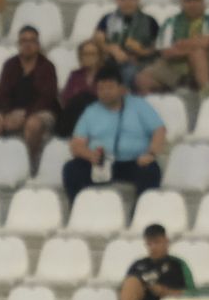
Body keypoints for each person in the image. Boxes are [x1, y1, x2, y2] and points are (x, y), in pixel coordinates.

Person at [61, 65, 165, 201]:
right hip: (101, 163)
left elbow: (159, 131)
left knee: (151, 171)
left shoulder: (139, 105)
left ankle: (139, 215)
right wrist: (90, 155)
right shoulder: (91, 111)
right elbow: (77, 144)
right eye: (101, 89)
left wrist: (150, 154)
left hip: (134, 162)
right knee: (71, 169)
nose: (105, 92)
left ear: (122, 89)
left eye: (109, 87)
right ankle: (79, 209)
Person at [0, 26, 59, 156]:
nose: (28, 44)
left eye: (32, 41)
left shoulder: (47, 67)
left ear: (38, 44)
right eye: (24, 41)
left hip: (40, 111)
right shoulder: (10, 65)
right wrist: (7, 115)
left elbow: (47, 97)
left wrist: (25, 115)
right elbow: (2, 94)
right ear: (19, 44)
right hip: (11, 111)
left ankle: (27, 163)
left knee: (33, 124)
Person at [138, 0, 209, 95]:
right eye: (188, 1)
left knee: (198, 54)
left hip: (202, 64)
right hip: (173, 66)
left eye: (196, 0)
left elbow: (207, 43)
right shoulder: (171, 22)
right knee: (142, 79)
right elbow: (166, 52)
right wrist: (192, 46)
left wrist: (181, 44)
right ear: (182, 2)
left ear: (203, 2)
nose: (192, 5)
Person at [116, 222, 189, 300]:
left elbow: (188, 295)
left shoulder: (177, 266)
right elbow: (126, 288)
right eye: (149, 244)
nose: (153, 247)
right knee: (131, 281)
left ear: (166, 241)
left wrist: (163, 291)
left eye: (157, 242)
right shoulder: (139, 264)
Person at [94, 0, 158, 90]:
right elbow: (98, 39)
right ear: (116, 0)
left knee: (129, 70)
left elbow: (158, 49)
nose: (127, 3)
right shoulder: (108, 19)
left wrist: (141, 51)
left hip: (139, 64)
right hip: (111, 61)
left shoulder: (149, 21)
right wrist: (111, 49)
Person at [57, 37, 103, 138]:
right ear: (80, 57)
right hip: (75, 119)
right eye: (85, 54)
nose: (88, 57)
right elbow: (66, 99)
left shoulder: (105, 76)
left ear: (99, 57)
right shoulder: (75, 75)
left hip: (98, 119)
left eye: (92, 54)